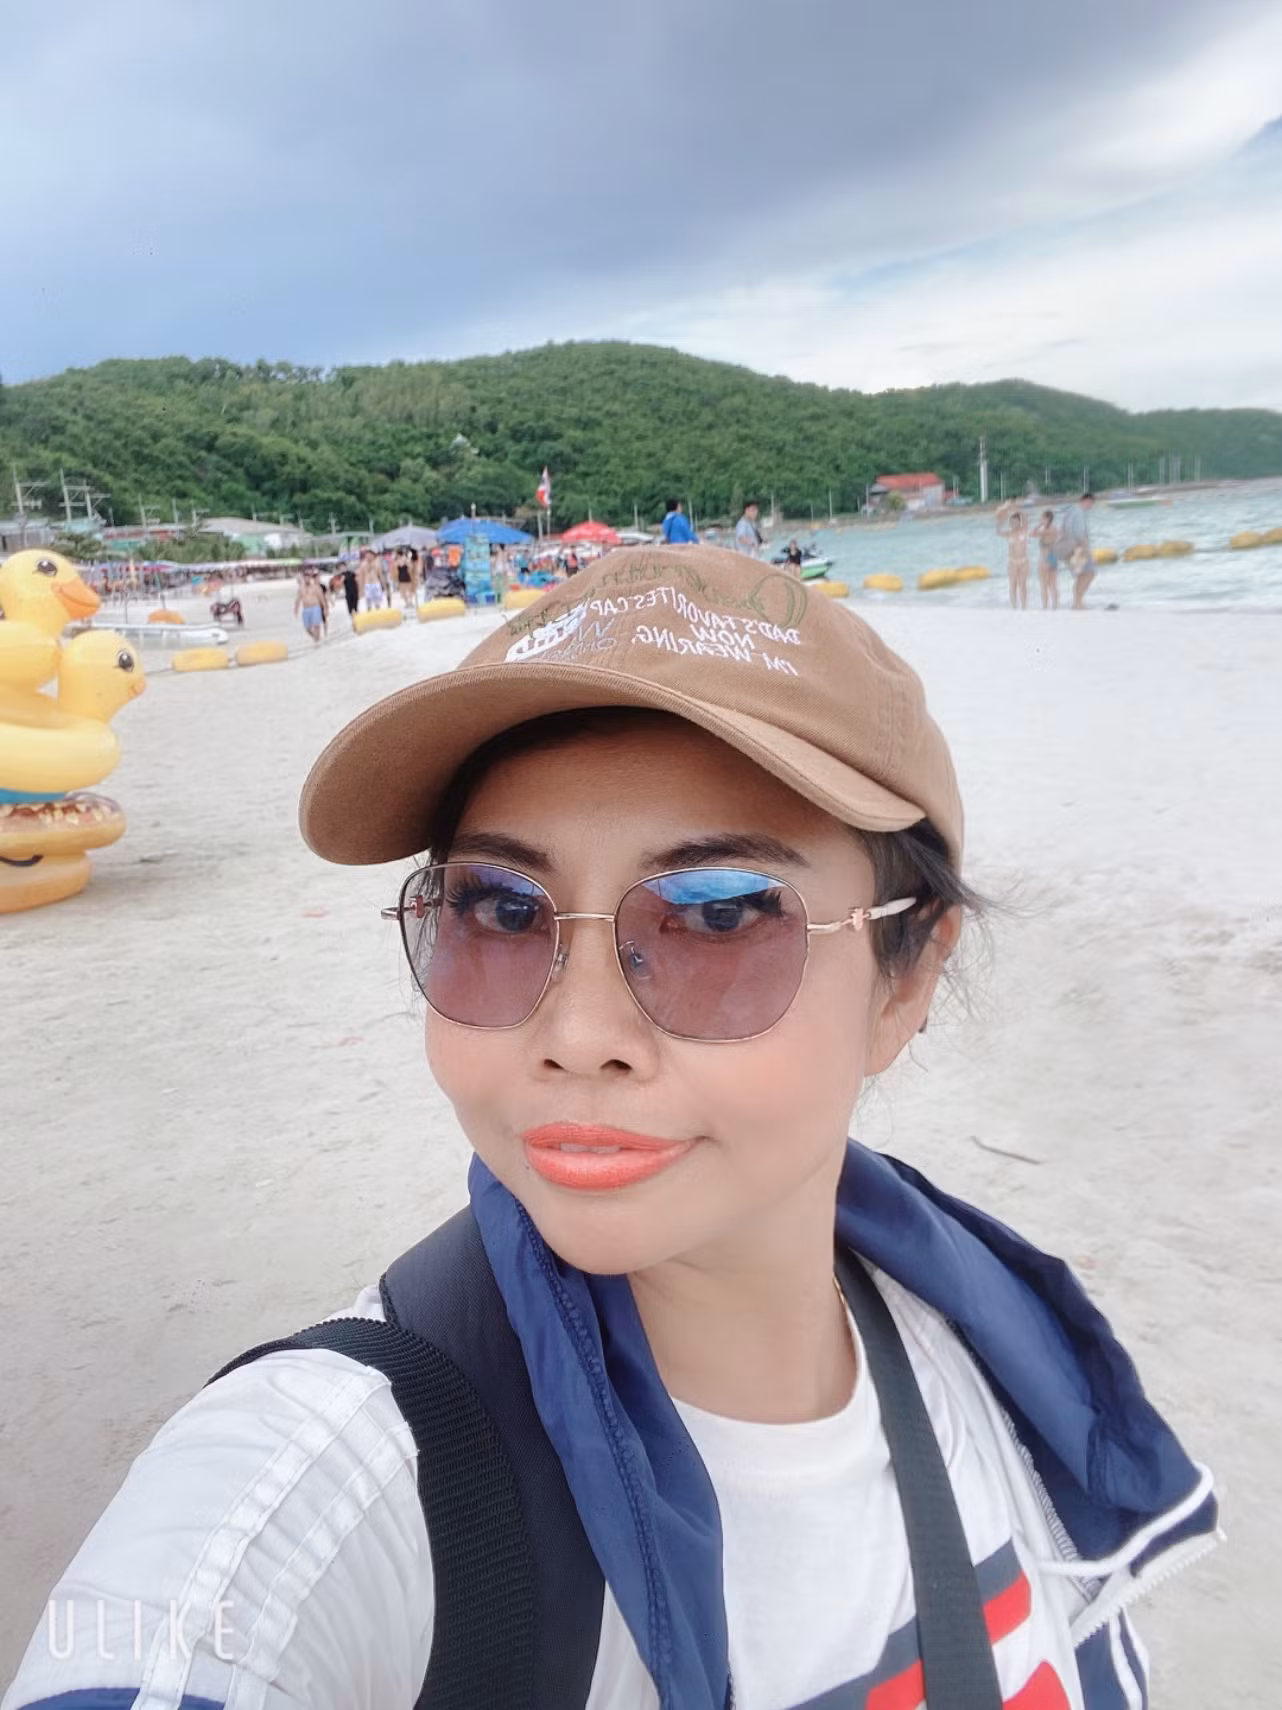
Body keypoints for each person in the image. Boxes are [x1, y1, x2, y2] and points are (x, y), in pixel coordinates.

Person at [4, 547, 1215, 1710]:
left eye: (720, 917)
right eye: (498, 909)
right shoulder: (332, 1482)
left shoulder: (997, 1367)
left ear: (905, 981)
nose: (579, 1034)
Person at [1061, 493, 1097, 610]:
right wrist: (1087, 548)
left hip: (1068, 547)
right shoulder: (1079, 513)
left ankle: (1077, 602)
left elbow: (1063, 529)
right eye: (1091, 504)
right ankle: (1077, 602)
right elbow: (1079, 533)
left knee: (1081, 575)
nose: (1091, 507)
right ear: (1086, 501)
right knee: (1090, 573)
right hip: (1079, 548)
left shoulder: (1070, 512)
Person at [995, 505, 1030, 610]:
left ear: (1019, 522)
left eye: (1016, 522)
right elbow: (998, 531)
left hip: (1024, 562)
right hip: (1012, 562)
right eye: (1012, 522)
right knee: (1013, 585)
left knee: (1023, 585)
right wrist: (1003, 517)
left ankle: (1024, 607)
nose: (1014, 524)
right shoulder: (1008, 533)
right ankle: (1014, 607)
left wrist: (1017, 510)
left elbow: (1025, 518)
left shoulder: (1024, 530)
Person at [1031, 509, 1061, 610]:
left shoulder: (1046, 531)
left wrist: (1039, 525)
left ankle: (1045, 607)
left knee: (1044, 585)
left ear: (1047, 519)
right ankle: (1055, 606)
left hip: (1045, 559)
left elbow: (1033, 534)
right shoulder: (1055, 529)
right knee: (1052, 584)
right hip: (1053, 558)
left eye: (1042, 518)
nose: (1040, 519)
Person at [293, 567, 327, 644]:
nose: (307, 579)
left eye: (308, 577)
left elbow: (321, 598)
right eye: (305, 577)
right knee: (307, 628)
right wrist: (296, 610)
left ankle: (317, 641)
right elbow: (298, 600)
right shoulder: (301, 589)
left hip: (315, 608)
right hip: (306, 609)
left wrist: (325, 608)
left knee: (316, 625)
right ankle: (316, 638)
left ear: (310, 578)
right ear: (303, 578)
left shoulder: (315, 587)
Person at [341, 560, 361, 625]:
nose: (342, 568)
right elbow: (339, 585)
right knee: (350, 609)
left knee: (355, 608)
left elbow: (357, 580)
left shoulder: (352, 573)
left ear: (345, 566)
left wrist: (360, 591)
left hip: (355, 592)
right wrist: (342, 580)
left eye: (343, 567)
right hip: (348, 594)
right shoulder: (341, 575)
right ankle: (353, 622)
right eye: (341, 567)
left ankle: (358, 621)